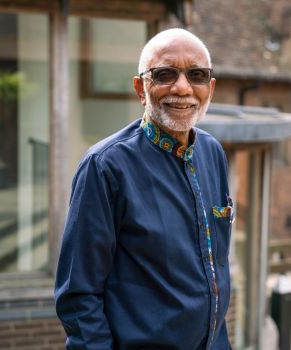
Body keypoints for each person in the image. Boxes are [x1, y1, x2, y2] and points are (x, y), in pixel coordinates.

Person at [55, 28, 233, 350]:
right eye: (164, 73)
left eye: (197, 75)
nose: (182, 87)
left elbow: (215, 271)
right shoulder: (105, 166)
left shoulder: (213, 154)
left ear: (210, 88)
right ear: (141, 88)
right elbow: (78, 294)